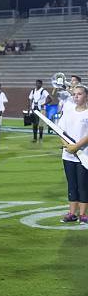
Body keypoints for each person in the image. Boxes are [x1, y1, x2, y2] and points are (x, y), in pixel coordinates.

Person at [56, 85, 88, 224]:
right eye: (74, 94)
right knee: (72, 185)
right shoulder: (68, 112)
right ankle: (72, 213)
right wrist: (67, 145)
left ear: (86, 96)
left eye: (79, 94)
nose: (76, 96)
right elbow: (60, 130)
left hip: (84, 155)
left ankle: (83, 214)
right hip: (68, 155)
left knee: (83, 185)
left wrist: (76, 146)